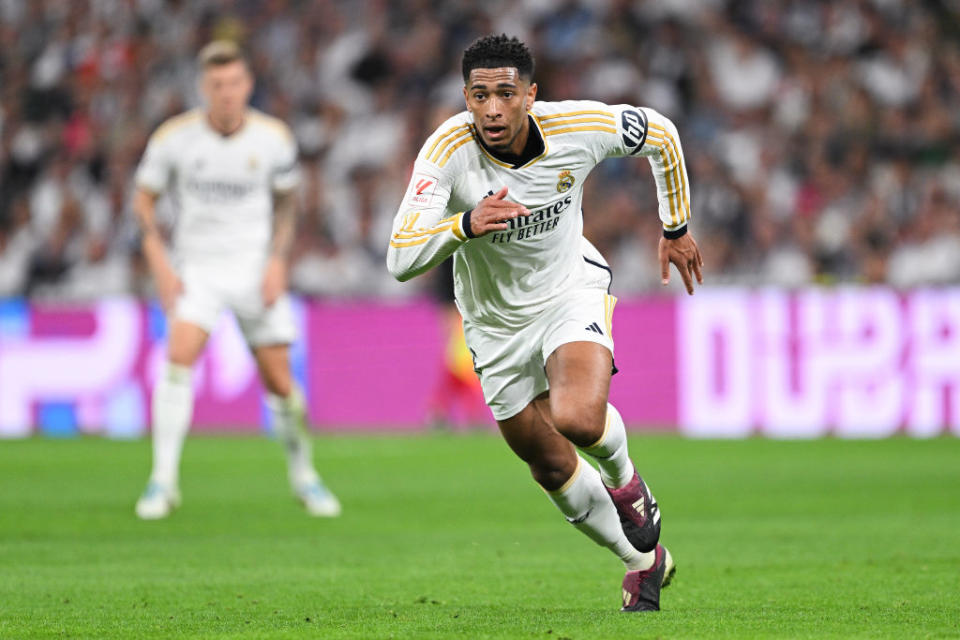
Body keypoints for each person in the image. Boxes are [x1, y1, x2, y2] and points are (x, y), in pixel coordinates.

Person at [387, 35, 703, 611]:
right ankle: (643, 561)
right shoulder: (446, 151)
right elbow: (400, 256)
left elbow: (661, 134)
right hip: (491, 325)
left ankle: (628, 482)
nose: (492, 108)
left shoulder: (577, 126)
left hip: (568, 292)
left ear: (530, 95)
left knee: (578, 418)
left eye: (506, 93)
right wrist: (465, 224)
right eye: (479, 95)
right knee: (548, 464)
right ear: (465, 97)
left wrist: (676, 226)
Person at [132, 41, 340, 520]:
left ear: (248, 85)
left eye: (234, 83)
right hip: (197, 269)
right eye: (216, 85)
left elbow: (287, 204)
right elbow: (143, 199)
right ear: (203, 88)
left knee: (281, 384)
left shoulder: (273, 138)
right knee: (177, 359)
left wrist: (277, 262)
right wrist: (161, 265)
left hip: (253, 269)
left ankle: (304, 474)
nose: (226, 93)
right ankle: (162, 482)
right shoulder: (173, 139)